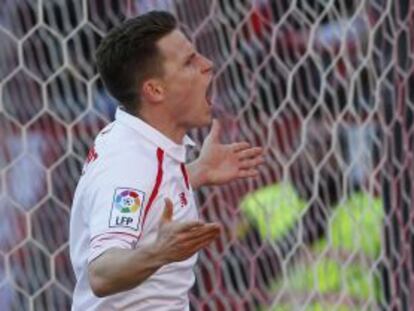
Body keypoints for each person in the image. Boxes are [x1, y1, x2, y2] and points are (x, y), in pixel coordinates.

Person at [69, 10, 263, 311]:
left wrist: (196, 172)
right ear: (155, 90)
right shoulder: (128, 164)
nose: (207, 65)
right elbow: (101, 273)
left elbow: (144, 194)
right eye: (189, 62)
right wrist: (158, 252)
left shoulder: (137, 142)